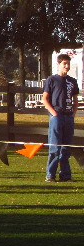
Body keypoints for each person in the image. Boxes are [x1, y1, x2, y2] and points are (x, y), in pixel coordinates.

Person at [43, 53, 79, 182]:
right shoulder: (51, 80)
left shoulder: (72, 81)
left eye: (68, 64)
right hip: (57, 116)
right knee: (55, 146)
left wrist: (73, 114)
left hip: (68, 117)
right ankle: (50, 174)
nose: (67, 66)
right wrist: (54, 113)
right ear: (58, 64)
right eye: (64, 63)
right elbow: (45, 99)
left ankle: (65, 175)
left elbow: (76, 101)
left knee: (66, 147)